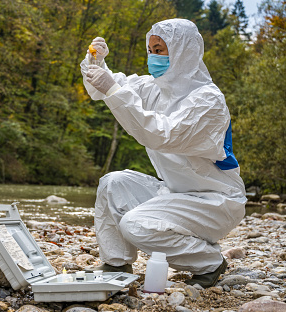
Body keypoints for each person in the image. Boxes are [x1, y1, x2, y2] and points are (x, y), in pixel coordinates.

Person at [79, 18, 247, 288]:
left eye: (160, 50)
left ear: (183, 51)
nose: (152, 57)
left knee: (135, 225)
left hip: (215, 202)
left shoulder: (208, 100)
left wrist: (110, 87)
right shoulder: (155, 88)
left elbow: (161, 134)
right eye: (151, 50)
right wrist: (97, 63)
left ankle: (210, 261)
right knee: (112, 183)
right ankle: (116, 263)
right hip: (175, 192)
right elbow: (112, 88)